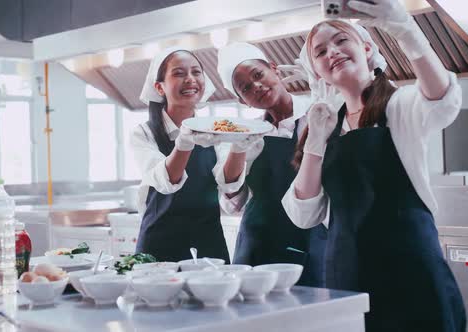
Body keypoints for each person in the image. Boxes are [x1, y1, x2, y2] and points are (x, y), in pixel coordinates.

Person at [282, 0, 466, 330]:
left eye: (341, 41)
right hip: (347, 271)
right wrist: (314, 143)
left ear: (366, 48)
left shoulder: (400, 104)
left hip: (411, 266)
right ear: (317, 70)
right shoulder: (326, 123)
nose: (332, 52)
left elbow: (443, 100)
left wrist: (405, 29)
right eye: (320, 52)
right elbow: (304, 211)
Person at [216, 42, 329, 287]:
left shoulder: (318, 114)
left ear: (274, 69)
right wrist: (239, 145)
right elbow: (232, 202)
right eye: (245, 88)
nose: (256, 86)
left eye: (259, 75)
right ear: (243, 101)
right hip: (255, 247)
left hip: (307, 241)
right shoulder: (246, 134)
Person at [130, 46, 246, 263]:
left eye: (196, 72)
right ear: (159, 87)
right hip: (159, 247)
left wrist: (239, 146)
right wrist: (184, 141)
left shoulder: (215, 128)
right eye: (179, 73)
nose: (190, 79)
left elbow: (228, 182)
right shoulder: (144, 133)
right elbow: (167, 180)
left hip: (208, 245)